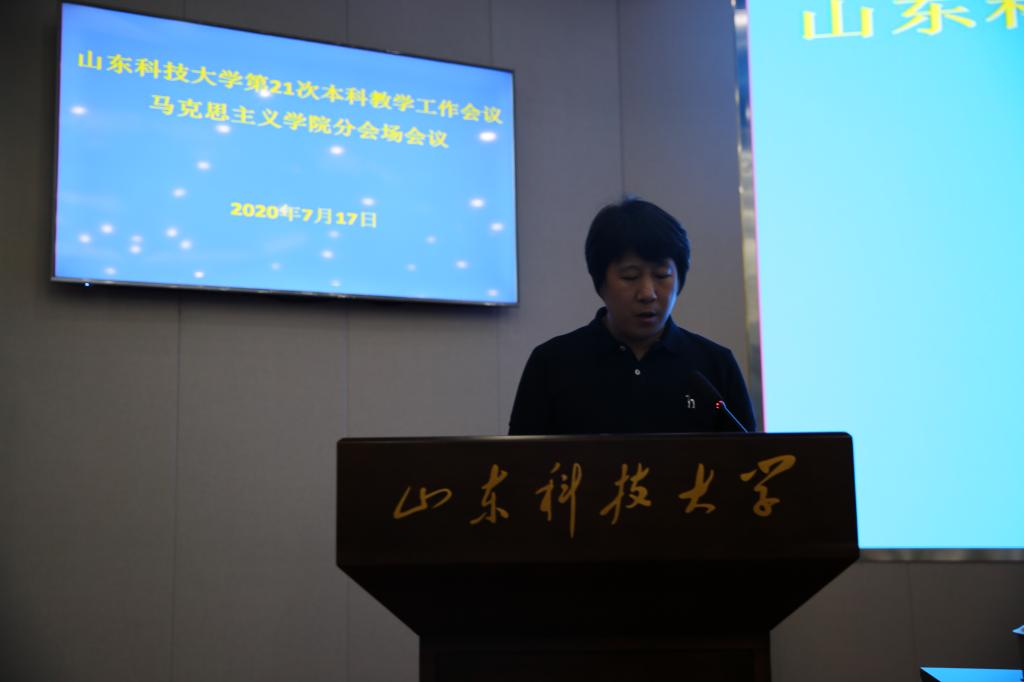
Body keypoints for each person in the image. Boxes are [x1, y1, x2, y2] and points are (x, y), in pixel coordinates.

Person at [508, 198, 756, 435]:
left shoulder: (714, 365)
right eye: (630, 276)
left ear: (680, 279)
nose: (648, 293)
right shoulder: (552, 364)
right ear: (600, 281)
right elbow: (520, 459)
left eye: (662, 275)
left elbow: (749, 458)